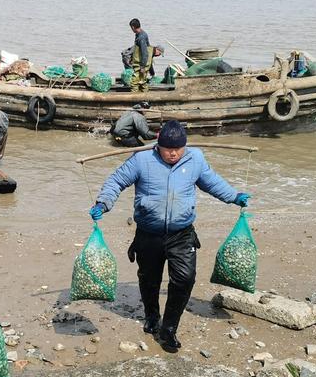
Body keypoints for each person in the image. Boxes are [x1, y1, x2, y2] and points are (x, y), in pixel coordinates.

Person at [89, 120, 250, 352]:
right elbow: (116, 180)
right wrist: (103, 203)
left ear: (184, 146)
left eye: (178, 149)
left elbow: (212, 182)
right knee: (149, 279)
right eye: (168, 149)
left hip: (182, 234)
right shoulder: (141, 159)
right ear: (158, 146)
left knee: (185, 279)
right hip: (148, 234)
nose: (173, 153)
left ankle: (169, 328)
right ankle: (152, 316)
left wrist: (234, 197)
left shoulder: (195, 159)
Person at [128, 19, 164, 92]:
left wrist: (142, 66)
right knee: (142, 82)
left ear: (133, 27)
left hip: (140, 64)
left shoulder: (141, 37)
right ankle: (144, 99)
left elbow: (145, 53)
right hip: (139, 63)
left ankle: (135, 99)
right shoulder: (140, 34)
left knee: (134, 83)